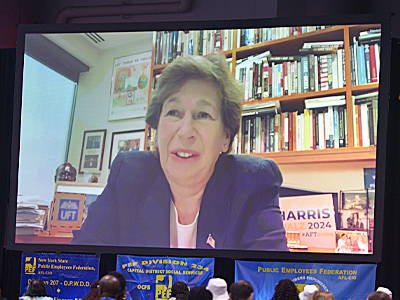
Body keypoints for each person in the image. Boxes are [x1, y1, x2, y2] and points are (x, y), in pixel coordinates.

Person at [71, 53, 288, 251]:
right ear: (156, 129)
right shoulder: (128, 174)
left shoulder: (253, 182)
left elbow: (268, 277)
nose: (186, 132)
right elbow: (82, 262)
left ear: (225, 138)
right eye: (174, 112)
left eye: (203, 115)